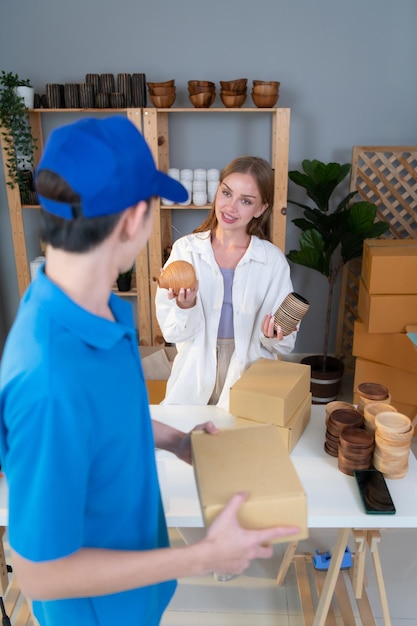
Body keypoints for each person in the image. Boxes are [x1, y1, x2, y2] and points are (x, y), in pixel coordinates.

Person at [0, 118, 299, 626]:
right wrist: (201, 557)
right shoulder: (49, 375)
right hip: (96, 615)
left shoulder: (101, 316)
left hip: (136, 594)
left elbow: (108, 421)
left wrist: (174, 440)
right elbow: (39, 574)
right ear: (133, 219)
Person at [156, 156, 297, 412]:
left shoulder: (272, 261)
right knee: (186, 440)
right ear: (217, 190)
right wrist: (186, 307)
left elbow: (286, 343)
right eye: (226, 193)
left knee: (240, 443)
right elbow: (172, 333)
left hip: (249, 369)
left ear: (260, 209)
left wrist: (272, 335)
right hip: (195, 366)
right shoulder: (186, 250)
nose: (231, 207)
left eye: (245, 201)